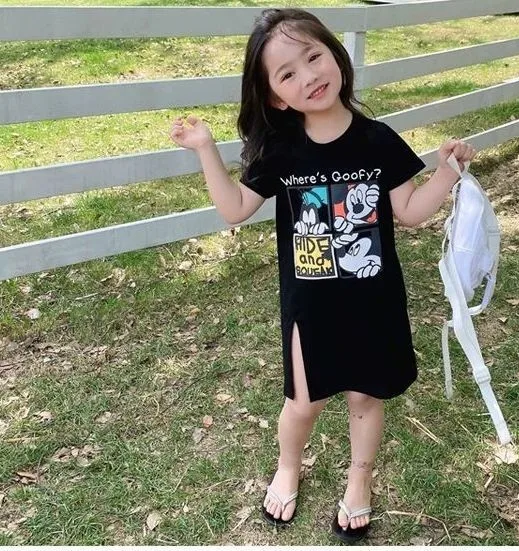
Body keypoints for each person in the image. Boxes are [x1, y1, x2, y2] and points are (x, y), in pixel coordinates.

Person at [170, 7, 476, 542]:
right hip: (310, 311)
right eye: (287, 73)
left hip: (373, 304)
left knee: (364, 399)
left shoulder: (378, 140)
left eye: (314, 57)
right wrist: (205, 150)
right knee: (303, 402)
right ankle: (288, 466)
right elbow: (234, 208)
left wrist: (448, 171)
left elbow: (408, 211)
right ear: (274, 97)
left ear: (335, 54)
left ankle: (360, 478)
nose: (308, 76)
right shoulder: (280, 149)